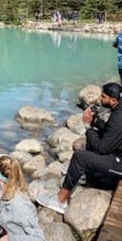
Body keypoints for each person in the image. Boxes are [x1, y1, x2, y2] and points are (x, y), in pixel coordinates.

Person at [38, 82, 122, 214]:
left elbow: (102, 148)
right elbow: (111, 133)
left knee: (80, 157)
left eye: (103, 97)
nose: (100, 99)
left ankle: (60, 201)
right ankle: (87, 174)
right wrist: (95, 121)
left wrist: (87, 125)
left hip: (119, 164)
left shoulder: (119, 117)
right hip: (118, 153)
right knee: (95, 136)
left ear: (113, 100)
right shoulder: (118, 110)